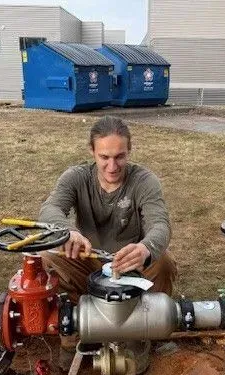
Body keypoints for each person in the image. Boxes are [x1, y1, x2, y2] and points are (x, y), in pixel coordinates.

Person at [39, 116, 177, 303]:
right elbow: (50, 208)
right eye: (104, 157)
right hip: (87, 259)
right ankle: (74, 318)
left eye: (120, 157)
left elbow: (160, 224)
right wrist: (67, 232)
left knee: (164, 262)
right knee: (48, 256)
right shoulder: (76, 177)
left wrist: (145, 248)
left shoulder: (145, 181)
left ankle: (150, 322)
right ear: (92, 151)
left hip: (133, 263)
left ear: (129, 151)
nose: (112, 167)